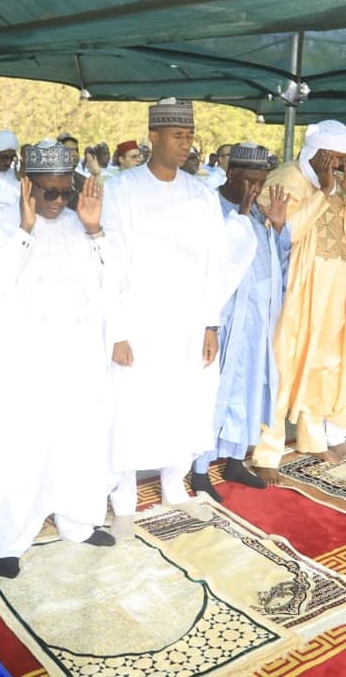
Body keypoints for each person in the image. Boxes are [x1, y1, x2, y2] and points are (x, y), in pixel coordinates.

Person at [102, 99, 249, 533]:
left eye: (189, 136)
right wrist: (118, 330)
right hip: (139, 321)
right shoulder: (122, 189)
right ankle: (123, 493)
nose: (185, 144)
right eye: (177, 136)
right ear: (153, 137)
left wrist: (210, 322)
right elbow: (112, 262)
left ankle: (174, 483)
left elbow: (215, 262)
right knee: (130, 404)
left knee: (185, 400)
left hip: (186, 322)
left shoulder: (200, 194)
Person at [0, 140, 117, 578]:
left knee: (79, 441)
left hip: (78, 357)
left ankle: (78, 520)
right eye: (48, 192)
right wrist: (24, 231)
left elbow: (116, 282)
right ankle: (12, 539)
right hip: (23, 362)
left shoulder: (81, 224)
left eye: (64, 192)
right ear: (26, 185)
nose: (57, 202)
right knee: (22, 449)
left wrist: (94, 229)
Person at [250, 120, 346, 483]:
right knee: (283, 365)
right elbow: (284, 235)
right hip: (294, 291)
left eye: (340, 159)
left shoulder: (337, 184)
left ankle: (312, 436)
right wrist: (323, 190)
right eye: (329, 157)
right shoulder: (287, 179)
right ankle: (267, 452)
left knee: (322, 363)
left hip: (333, 294)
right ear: (313, 152)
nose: (334, 165)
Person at [190, 144, 289, 499]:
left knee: (246, 387)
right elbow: (216, 262)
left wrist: (276, 227)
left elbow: (274, 264)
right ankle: (199, 468)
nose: (255, 190)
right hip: (223, 319)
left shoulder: (260, 211)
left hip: (254, 320)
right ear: (231, 174)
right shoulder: (209, 208)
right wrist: (244, 213)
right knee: (213, 393)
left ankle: (233, 458)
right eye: (249, 182)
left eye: (260, 183)